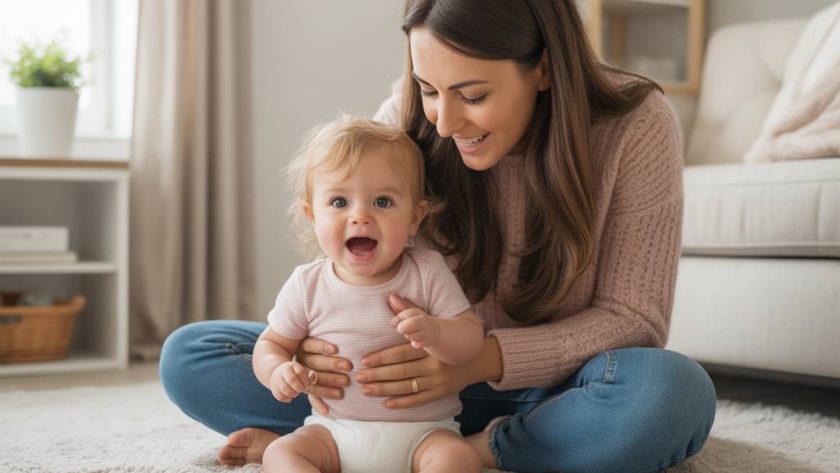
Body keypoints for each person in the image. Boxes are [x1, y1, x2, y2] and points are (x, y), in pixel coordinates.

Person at [160, 1, 717, 472]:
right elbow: (351, 258)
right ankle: (342, 446)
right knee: (191, 355)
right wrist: (304, 360)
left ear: (544, 67)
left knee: (669, 395)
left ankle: (485, 450)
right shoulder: (409, 117)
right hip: (387, 393)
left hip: (552, 391)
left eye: (473, 96)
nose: (444, 124)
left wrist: (478, 361)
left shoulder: (635, 123)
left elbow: (634, 318)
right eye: (428, 89)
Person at [256, 116, 483, 473]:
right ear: (311, 216)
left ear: (415, 217)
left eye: (382, 202)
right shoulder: (307, 284)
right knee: (281, 455)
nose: (360, 216)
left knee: (458, 459)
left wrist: (437, 333)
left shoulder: (426, 271)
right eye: (338, 202)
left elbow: (471, 339)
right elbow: (269, 345)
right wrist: (278, 371)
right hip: (333, 432)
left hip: (422, 434)